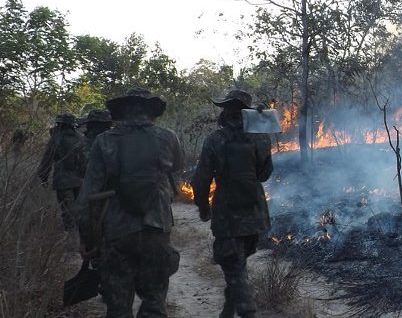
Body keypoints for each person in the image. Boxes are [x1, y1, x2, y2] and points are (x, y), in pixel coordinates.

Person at [77, 88, 183, 318]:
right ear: (152, 112)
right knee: (155, 304)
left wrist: (88, 241)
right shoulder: (168, 138)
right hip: (156, 230)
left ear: (122, 112)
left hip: (116, 232)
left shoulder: (103, 142)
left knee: (117, 308)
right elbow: (176, 167)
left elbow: (86, 198)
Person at [192, 89, 273, 318]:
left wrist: (203, 207)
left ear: (226, 112)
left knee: (233, 266)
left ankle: (247, 312)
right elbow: (265, 174)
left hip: (228, 214)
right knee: (237, 263)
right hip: (255, 214)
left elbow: (201, 180)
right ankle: (227, 311)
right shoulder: (261, 137)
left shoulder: (215, 140)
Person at [38, 113, 86, 231]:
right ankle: (80, 234)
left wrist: (44, 176)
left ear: (60, 124)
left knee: (67, 210)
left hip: (63, 180)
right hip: (80, 180)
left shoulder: (56, 139)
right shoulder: (81, 137)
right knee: (79, 208)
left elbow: (47, 159)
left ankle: (70, 235)